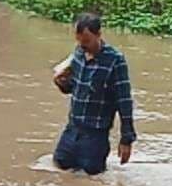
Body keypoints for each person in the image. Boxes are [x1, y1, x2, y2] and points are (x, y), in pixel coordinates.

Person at [51, 13, 136, 175]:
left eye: (87, 41)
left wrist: (126, 139)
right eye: (79, 41)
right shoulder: (78, 53)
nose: (82, 45)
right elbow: (74, 88)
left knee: (92, 177)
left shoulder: (115, 60)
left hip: (95, 136)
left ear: (98, 35)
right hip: (72, 129)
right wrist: (61, 82)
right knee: (58, 168)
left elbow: (124, 101)